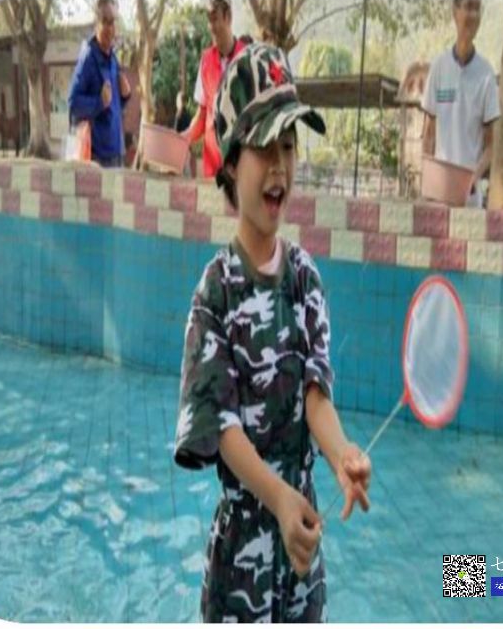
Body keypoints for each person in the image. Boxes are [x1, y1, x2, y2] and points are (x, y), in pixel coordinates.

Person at [173, 43, 372, 622]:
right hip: (241, 557)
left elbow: (315, 394)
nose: (280, 165)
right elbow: (221, 425)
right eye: (264, 146)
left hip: (301, 549)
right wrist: (278, 498)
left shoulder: (305, 278)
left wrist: (341, 454)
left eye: (289, 144)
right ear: (231, 163)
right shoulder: (216, 291)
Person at [421, 0, 500, 208]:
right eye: (468, 7)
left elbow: (491, 146)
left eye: (477, 8)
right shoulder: (439, 67)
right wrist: (427, 183)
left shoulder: (486, 74)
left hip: (469, 199)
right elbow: (428, 135)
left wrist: (475, 177)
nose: (473, 15)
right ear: (455, 12)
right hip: (438, 196)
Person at [181, 0, 248, 178]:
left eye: (215, 18)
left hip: (241, 167)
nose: (211, 26)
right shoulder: (206, 60)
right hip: (212, 169)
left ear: (228, 17)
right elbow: (203, 113)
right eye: (209, 20)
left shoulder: (247, 58)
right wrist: (183, 138)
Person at [68, 0, 131, 168]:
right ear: (96, 24)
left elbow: (114, 106)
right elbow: (73, 104)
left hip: (117, 152)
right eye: (106, 22)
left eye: (113, 22)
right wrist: (99, 102)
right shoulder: (88, 57)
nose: (111, 28)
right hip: (97, 157)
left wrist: (125, 96)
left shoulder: (113, 58)